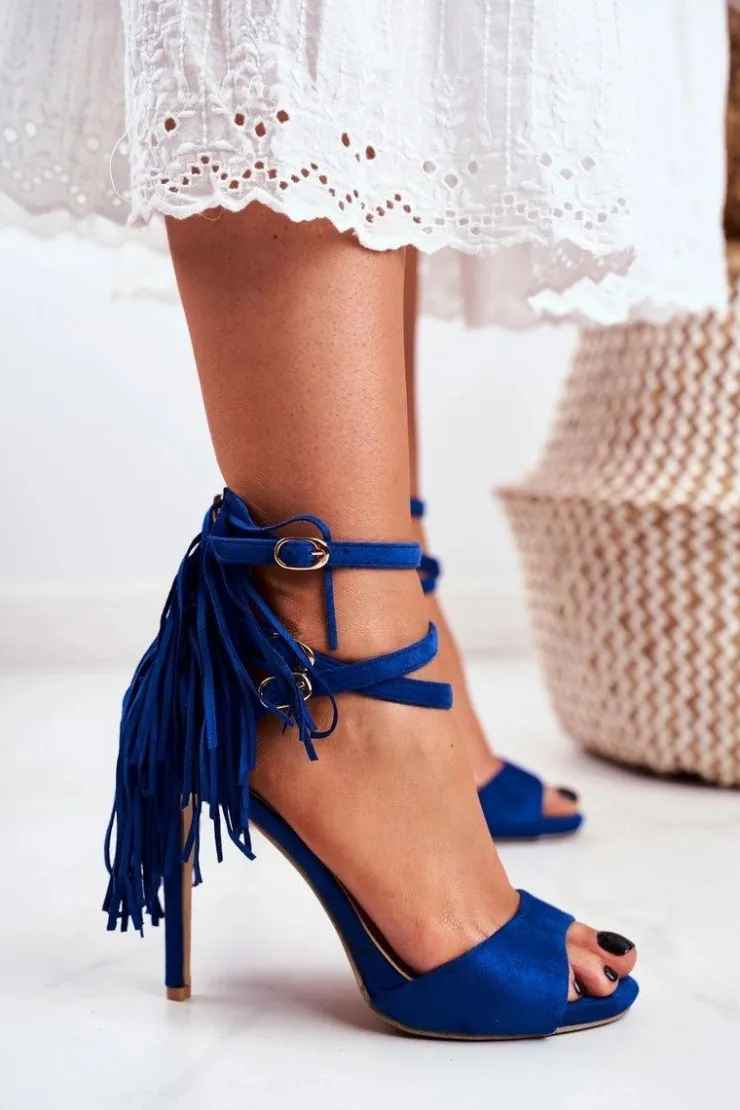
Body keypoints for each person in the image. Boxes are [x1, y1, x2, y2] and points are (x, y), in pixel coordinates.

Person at [2, 0, 729, 1039]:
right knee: (322, 39)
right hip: (329, 676)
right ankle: (345, 693)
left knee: (400, 69)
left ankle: (383, 658)